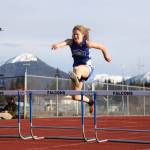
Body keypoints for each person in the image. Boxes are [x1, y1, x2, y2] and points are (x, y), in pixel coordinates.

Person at [51, 25, 111, 113]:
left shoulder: (87, 43)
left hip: (87, 69)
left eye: (77, 34)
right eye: (73, 34)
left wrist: (106, 56)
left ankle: (76, 78)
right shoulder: (71, 42)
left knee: (77, 69)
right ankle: (90, 102)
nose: (75, 36)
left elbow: (102, 47)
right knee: (75, 96)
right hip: (77, 73)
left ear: (83, 35)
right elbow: (64, 43)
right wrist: (57, 46)